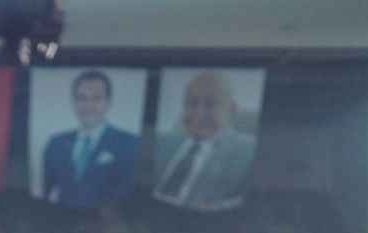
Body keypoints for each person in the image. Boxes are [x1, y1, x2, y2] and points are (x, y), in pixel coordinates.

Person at [152, 70, 257, 211]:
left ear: (232, 109)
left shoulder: (248, 153)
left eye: (210, 104)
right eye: (192, 103)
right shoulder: (161, 143)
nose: (199, 114)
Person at [41, 69, 141, 207]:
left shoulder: (130, 143)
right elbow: (47, 194)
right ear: (74, 102)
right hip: (62, 219)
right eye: (82, 98)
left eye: (97, 98)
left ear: (108, 102)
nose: (89, 105)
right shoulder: (56, 143)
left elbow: (131, 196)